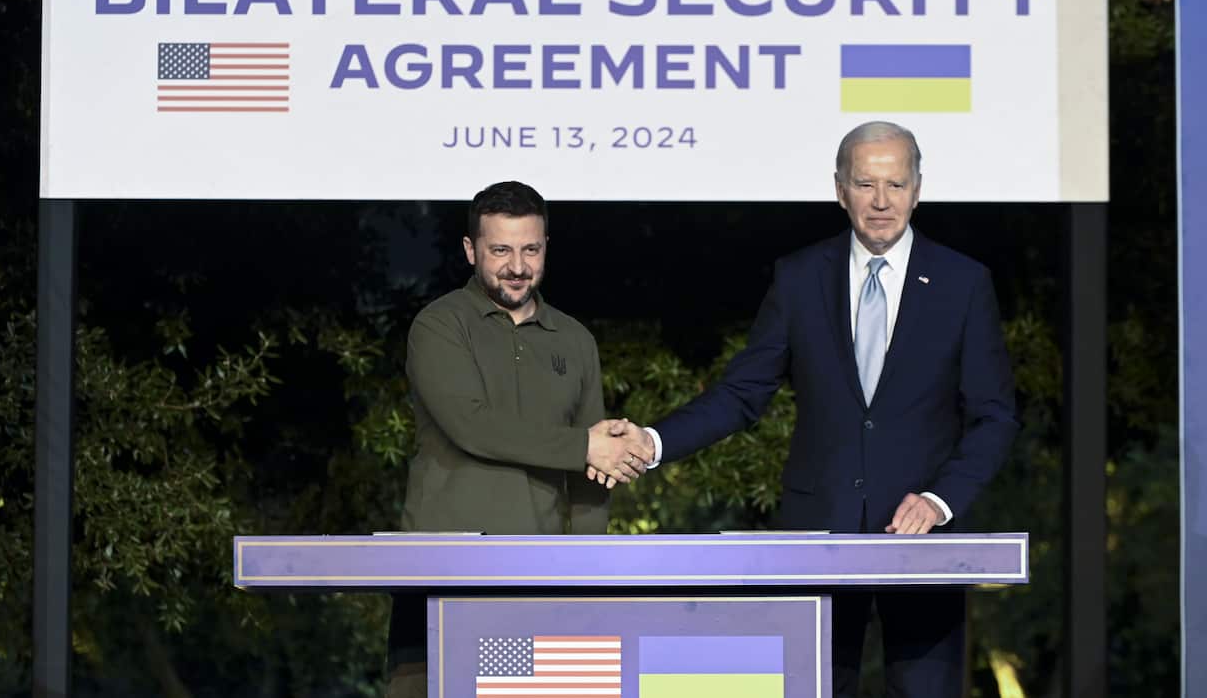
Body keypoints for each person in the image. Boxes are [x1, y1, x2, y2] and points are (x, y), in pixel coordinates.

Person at [604, 121, 1019, 697]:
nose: (880, 202)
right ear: (839, 189)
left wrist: (940, 499)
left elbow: (995, 416)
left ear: (917, 189)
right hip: (815, 537)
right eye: (865, 184)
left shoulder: (963, 283)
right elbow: (743, 393)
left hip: (922, 543)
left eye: (895, 185)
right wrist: (653, 442)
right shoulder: (799, 277)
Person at [386, 180, 651, 698]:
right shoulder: (439, 325)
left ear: (545, 248)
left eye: (530, 249)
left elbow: (594, 478)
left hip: (542, 577)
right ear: (470, 250)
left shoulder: (575, 340)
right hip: (443, 571)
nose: (517, 266)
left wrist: (588, 576)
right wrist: (583, 446)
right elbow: (471, 425)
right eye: (500, 250)